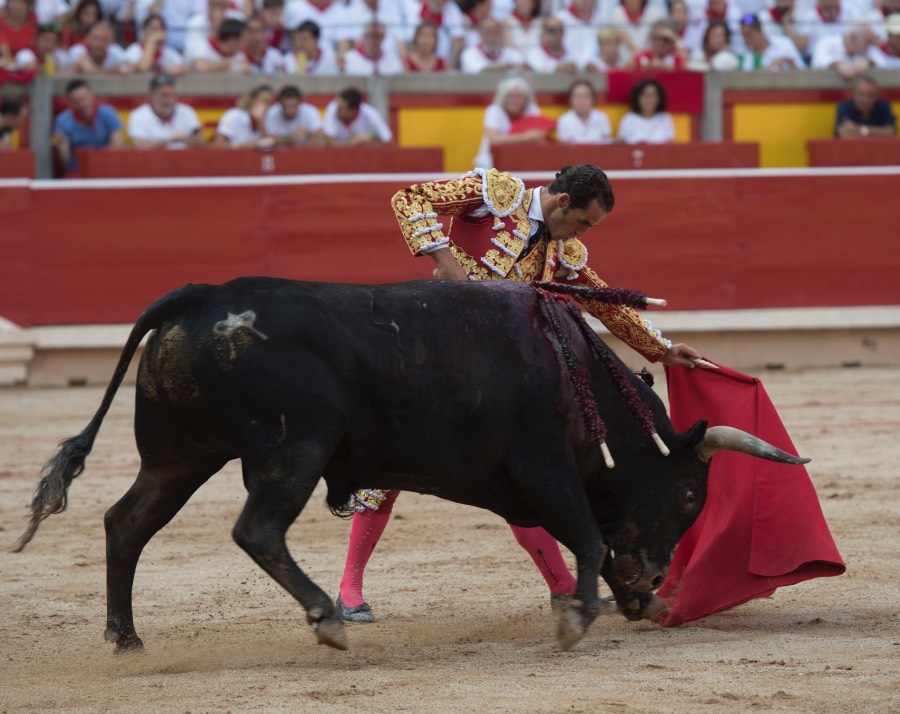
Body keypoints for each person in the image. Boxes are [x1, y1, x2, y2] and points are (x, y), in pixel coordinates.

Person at [336, 163, 706, 622]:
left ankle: (564, 587)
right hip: (434, 352)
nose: (583, 233)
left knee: (521, 469)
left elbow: (602, 299)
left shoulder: (564, 250)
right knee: (389, 461)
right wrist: (446, 263)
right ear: (562, 201)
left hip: (495, 374)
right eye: (583, 222)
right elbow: (408, 197)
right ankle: (349, 588)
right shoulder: (497, 191)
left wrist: (662, 349)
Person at [472, 75, 552, 168]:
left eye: (518, 97)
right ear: (503, 97)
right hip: (491, 163)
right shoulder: (494, 110)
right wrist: (526, 137)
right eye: (510, 96)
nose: (514, 100)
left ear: (525, 99)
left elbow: (538, 137)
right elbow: (494, 139)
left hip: (521, 162)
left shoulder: (532, 109)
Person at [51, 78, 124, 177]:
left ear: (92, 95)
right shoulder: (63, 120)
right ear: (70, 102)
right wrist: (62, 147)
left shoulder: (108, 113)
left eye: (85, 98)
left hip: (104, 166)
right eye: (77, 101)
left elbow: (118, 147)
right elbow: (65, 161)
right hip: (76, 169)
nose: (83, 104)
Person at [127, 73, 206, 149]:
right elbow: (139, 147)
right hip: (152, 161)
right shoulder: (139, 115)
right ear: (152, 96)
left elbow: (203, 146)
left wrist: (196, 141)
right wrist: (169, 141)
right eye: (164, 96)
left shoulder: (187, 112)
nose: (170, 100)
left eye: (172, 95)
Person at [322, 86, 392, 146]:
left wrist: (368, 138)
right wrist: (350, 143)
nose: (337, 109)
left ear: (353, 110)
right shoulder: (333, 107)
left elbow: (388, 140)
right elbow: (328, 142)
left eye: (341, 108)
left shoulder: (370, 114)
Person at [122, 13, 189, 75]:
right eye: (152, 28)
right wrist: (151, 41)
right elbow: (143, 68)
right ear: (144, 31)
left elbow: (186, 67)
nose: (155, 32)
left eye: (158, 29)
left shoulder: (167, 52)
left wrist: (176, 70)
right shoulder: (134, 50)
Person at [213, 84, 276, 148]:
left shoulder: (269, 116)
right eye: (265, 101)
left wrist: (259, 122)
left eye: (270, 102)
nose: (267, 106)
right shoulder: (234, 115)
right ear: (253, 100)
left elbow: (269, 145)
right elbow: (217, 145)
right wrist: (242, 146)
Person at [834, 74, 897, 139]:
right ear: (853, 93)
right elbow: (843, 133)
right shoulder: (845, 107)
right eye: (860, 94)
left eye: (869, 95)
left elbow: (890, 132)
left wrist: (861, 130)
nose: (864, 99)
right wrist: (877, 133)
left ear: (876, 96)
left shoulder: (883, 106)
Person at [737, 13, 806, 71]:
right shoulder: (742, 53)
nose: (746, 39)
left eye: (749, 35)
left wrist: (787, 62)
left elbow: (803, 70)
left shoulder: (784, 44)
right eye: (743, 36)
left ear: (759, 30)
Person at [616, 78, 676, 144]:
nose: (648, 100)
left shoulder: (665, 118)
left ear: (659, 98)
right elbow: (622, 145)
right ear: (637, 98)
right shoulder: (629, 118)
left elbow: (670, 145)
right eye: (644, 95)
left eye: (652, 96)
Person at [459, 15, 526, 73]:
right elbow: (481, 73)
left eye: (494, 32)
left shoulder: (513, 54)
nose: (491, 37)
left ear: (500, 34)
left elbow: (521, 69)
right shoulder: (468, 54)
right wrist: (507, 67)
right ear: (480, 34)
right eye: (487, 32)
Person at [811, 22, 879, 79]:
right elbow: (817, 63)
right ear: (853, 38)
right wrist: (837, 64)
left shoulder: (865, 50)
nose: (869, 46)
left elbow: (881, 62)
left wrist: (869, 63)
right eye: (867, 41)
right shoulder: (826, 42)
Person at [556, 79, 612, 144]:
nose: (582, 100)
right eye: (578, 96)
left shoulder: (601, 117)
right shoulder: (564, 120)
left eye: (586, 96)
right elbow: (564, 148)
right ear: (571, 100)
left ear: (593, 99)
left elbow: (607, 143)